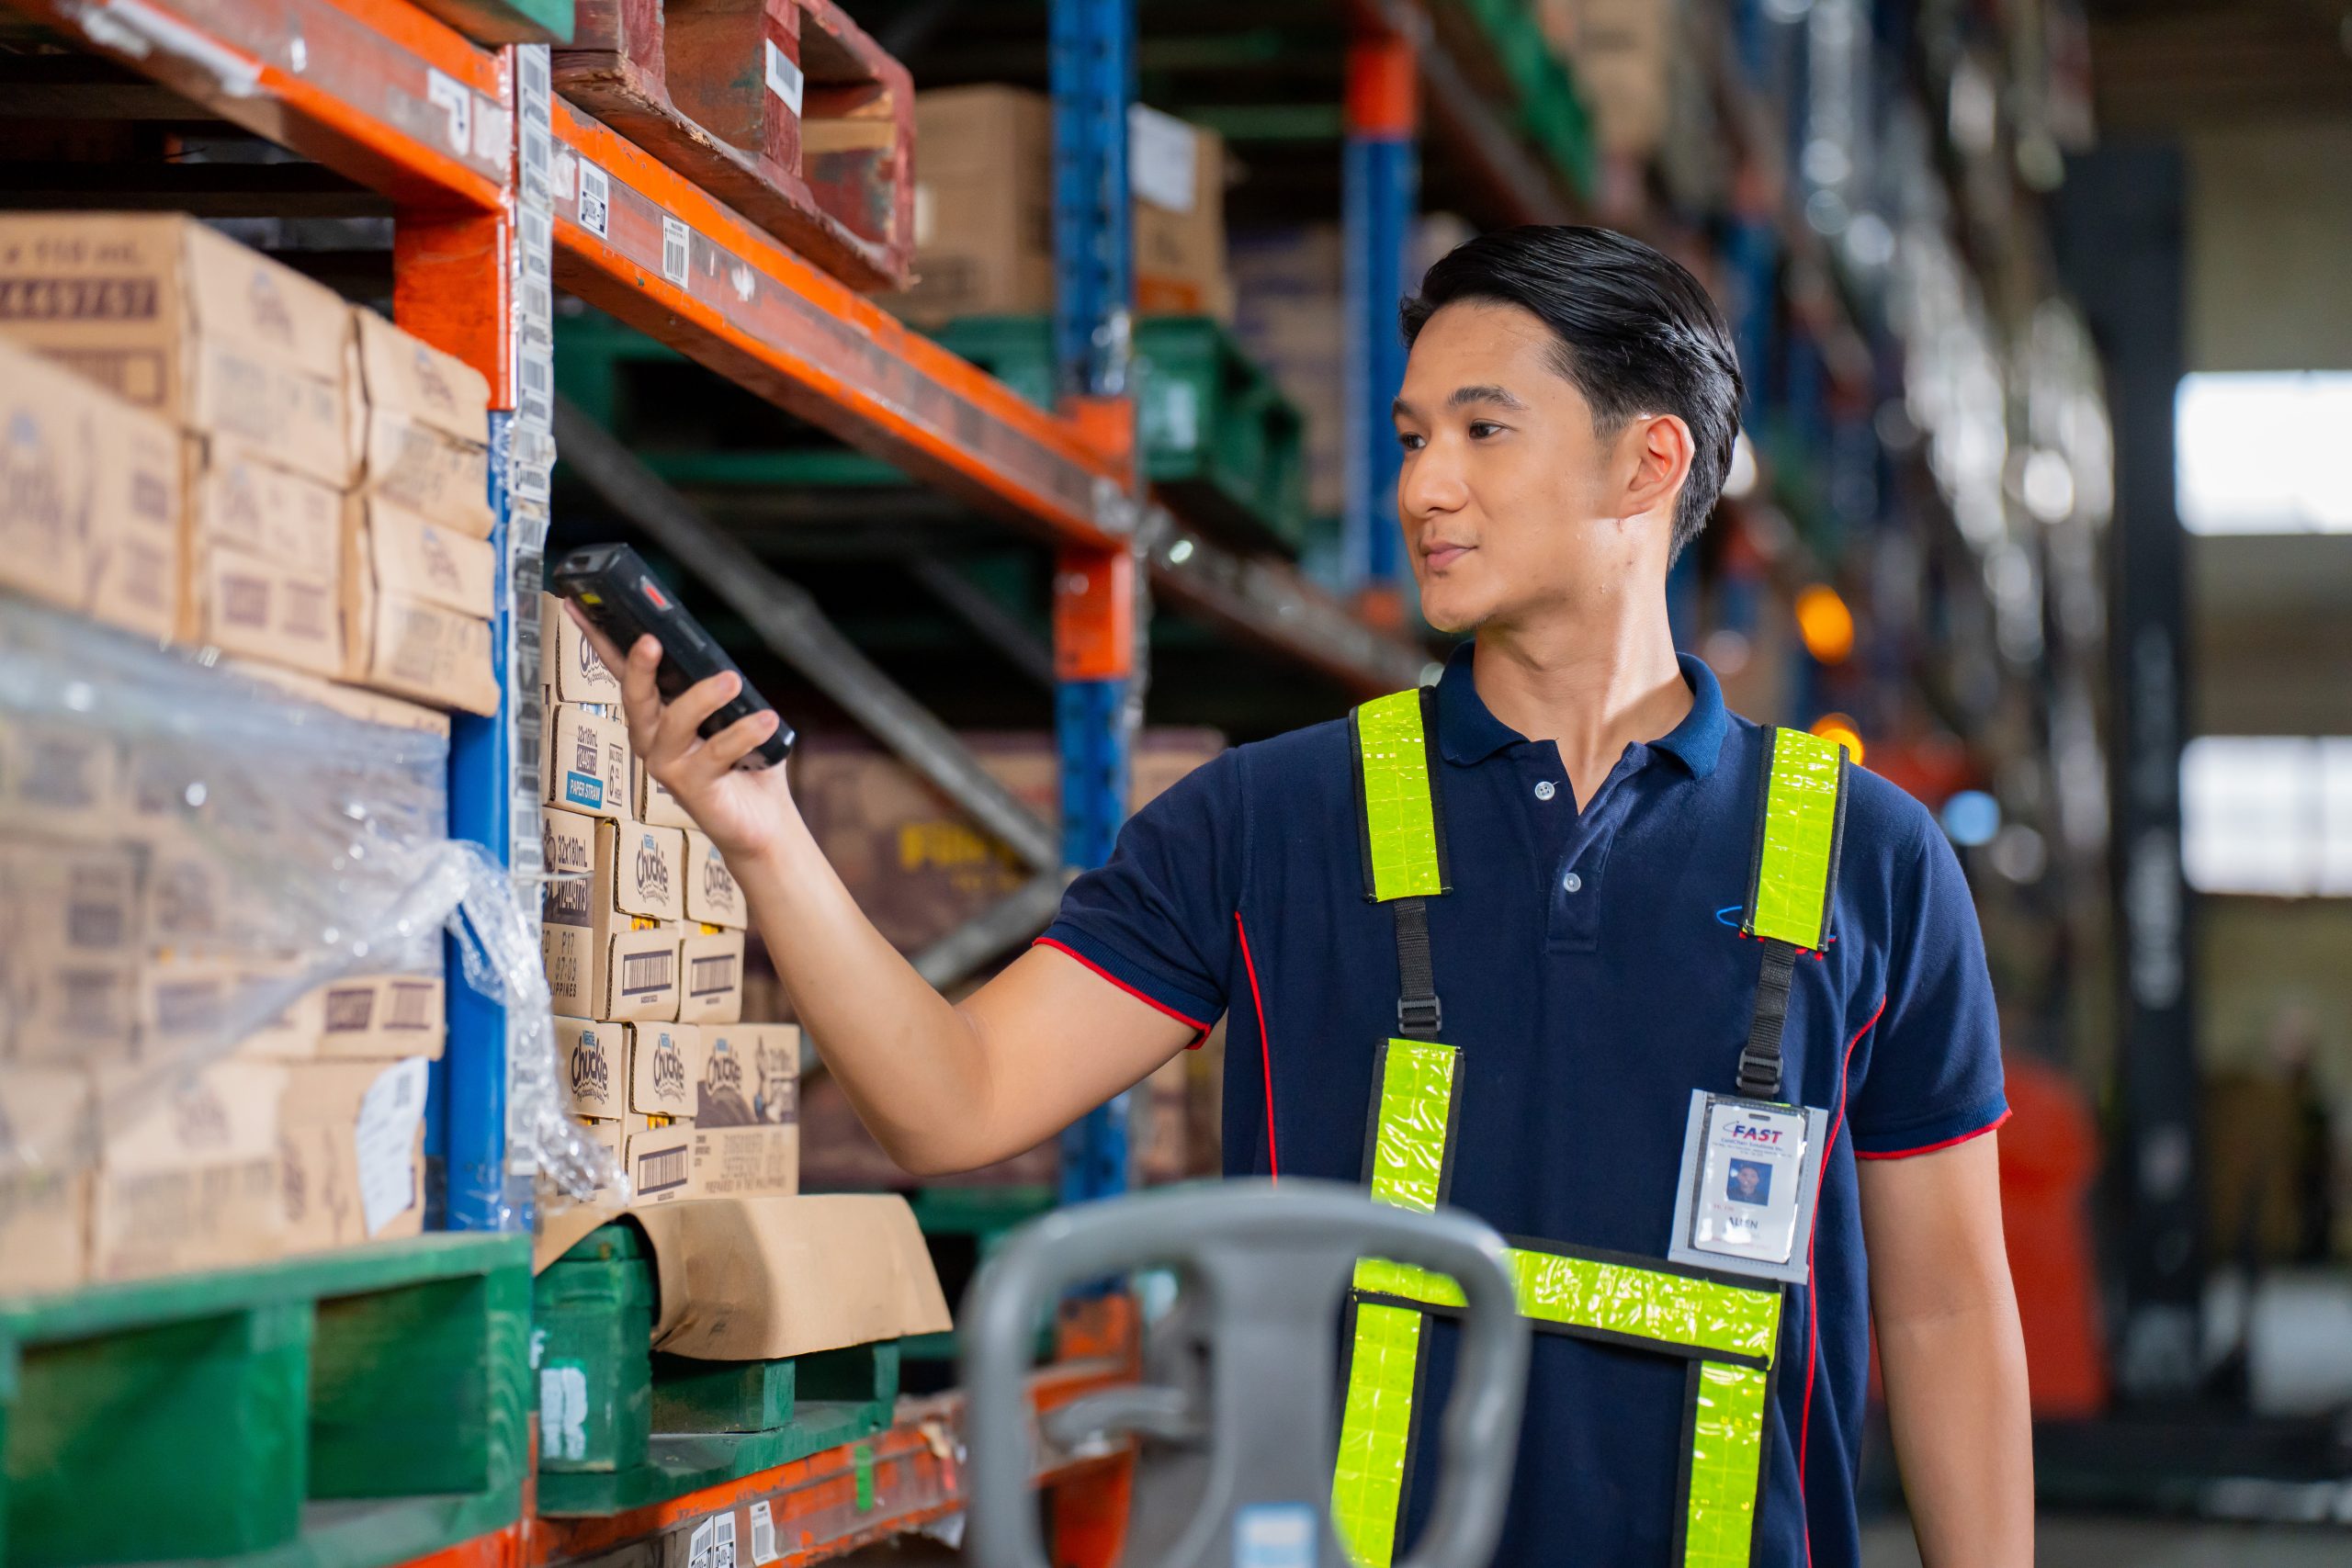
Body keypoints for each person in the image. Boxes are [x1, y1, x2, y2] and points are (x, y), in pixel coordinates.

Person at [569, 225, 2032, 1568]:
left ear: (1647, 466)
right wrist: (762, 834)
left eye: (1480, 430)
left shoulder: (1870, 862)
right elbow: (950, 1102)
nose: (1420, 486)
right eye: (1409, 436)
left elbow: (1950, 1311)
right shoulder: (1269, 822)